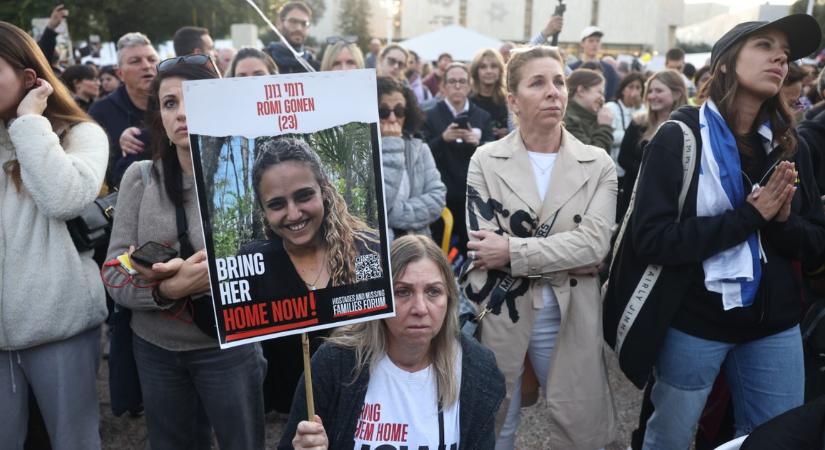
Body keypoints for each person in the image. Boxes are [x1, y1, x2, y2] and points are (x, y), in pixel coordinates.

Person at [628, 15, 825, 448]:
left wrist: (782, 222)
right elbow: (652, 240)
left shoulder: (792, 146)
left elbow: (814, 243)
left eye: (786, 53)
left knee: (776, 440)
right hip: (696, 323)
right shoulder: (678, 138)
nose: (780, 57)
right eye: (764, 45)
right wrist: (749, 217)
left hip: (774, 326)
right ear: (723, 64)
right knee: (671, 439)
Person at [105, 57, 267, 449]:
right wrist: (168, 289)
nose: (181, 114)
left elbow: (274, 266)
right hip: (156, 349)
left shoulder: (253, 175)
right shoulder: (140, 178)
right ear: (159, 115)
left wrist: (211, 274)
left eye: (193, 99)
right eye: (170, 103)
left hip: (229, 348)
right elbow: (114, 274)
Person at [462, 45, 617, 449]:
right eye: (538, 82)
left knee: (581, 431)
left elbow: (595, 246)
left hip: (571, 314)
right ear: (513, 100)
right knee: (495, 426)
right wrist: (567, 256)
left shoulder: (597, 162)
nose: (554, 91)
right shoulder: (485, 160)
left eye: (559, 81)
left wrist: (513, 253)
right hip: (501, 313)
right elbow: (483, 249)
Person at [280, 235, 506, 450]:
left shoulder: (477, 369)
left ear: (449, 298)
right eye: (403, 292)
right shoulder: (335, 363)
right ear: (382, 297)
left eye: (433, 291)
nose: (420, 308)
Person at [0, 20, 109, 449]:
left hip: (60, 328)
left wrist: (29, 123)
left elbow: (64, 198)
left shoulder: (81, 135)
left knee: (73, 441)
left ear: (29, 78)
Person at [240, 136, 381, 414]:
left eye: (304, 196)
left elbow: (381, 326)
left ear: (324, 191)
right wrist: (177, 291)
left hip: (360, 403)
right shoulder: (252, 262)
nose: (294, 214)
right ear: (264, 210)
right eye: (277, 204)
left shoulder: (367, 249)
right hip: (287, 414)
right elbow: (224, 329)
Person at [424, 62, 493, 255]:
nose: (457, 86)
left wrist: (478, 145)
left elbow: (495, 157)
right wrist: (442, 140)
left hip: (474, 198)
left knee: (470, 251)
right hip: (442, 198)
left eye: (462, 81)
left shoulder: (482, 116)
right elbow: (421, 156)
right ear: (443, 87)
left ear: (470, 86)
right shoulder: (430, 116)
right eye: (452, 82)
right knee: (439, 251)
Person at [88, 32, 158, 189]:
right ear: (120, 73)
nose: (147, 66)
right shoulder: (100, 111)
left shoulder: (176, 103)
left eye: (152, 59)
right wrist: (121, 148)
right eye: (135, 61)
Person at [378, 76, 446, 240]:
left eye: (399, 111)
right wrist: (391, 144)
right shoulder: (358, 152)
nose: (392, 118)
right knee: (365, 266)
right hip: (367, 249)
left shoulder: (419, 149)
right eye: (383, 112)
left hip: (413, 243)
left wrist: (391, 216)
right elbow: (368, 210)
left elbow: (437, 198)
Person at [616, 70, 688, 219]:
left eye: (659, 91)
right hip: (634, 199)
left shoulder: (686, 127)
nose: (651, 96)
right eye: (650, 91)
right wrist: (651, 174)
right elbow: (624, 158)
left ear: (677, 94)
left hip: (670, 202)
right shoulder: (638, 123)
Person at [563, 68, 614, 153]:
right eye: (599, 92)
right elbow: (594, 157)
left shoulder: (589, 117)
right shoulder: (568, 120)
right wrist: (605, 127)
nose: (603, 98)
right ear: (581, 91)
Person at [606, 72, 645, 181]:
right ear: (623, 90)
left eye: (638, 88)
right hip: (613, 170)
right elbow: (609, 137)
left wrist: (638, 108)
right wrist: (630, 136)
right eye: (631, 87)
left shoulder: (644, 110)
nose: (635, 91)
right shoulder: (611, 108)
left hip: (632, 171)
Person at [266, 1, 320, 73]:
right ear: (279, 23)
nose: (299, 28)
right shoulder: (263, 63)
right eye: (293, 21)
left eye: (304, 24)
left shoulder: (316, 69)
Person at [569, 26, 620, 100]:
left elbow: (613, 94)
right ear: (582, 43)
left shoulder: (609, 70)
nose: (595, 44)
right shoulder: (572, 68)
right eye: (591, 41)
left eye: (598, 41)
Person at [469, 48, 509, 140]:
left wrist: (509, 132)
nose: (489, 71)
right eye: (483, 67)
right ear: (476, 71)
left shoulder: (508, 100)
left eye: (494, 66)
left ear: (500, 70)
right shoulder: (468, 102)